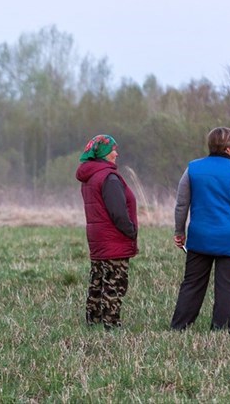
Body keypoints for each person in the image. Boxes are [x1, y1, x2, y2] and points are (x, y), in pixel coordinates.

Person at [170, 126, 230, 332]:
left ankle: (180, 325)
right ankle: (221, 329)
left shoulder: (193, 169)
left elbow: (182, 204)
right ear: (229, 148)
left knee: (192, 283)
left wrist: (179, 231)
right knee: (226, 286)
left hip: (200, 237)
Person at [75, 134, 138, 330]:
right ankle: (112, 326)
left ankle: (93, 322)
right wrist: (131, 231)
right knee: (114, 284)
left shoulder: (90, 177)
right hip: (114, 240)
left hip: (98, 239)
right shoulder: (109, 178)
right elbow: (118, 212)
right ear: (103, 153)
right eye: (113, 150)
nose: (116, 153)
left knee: (97, 282)